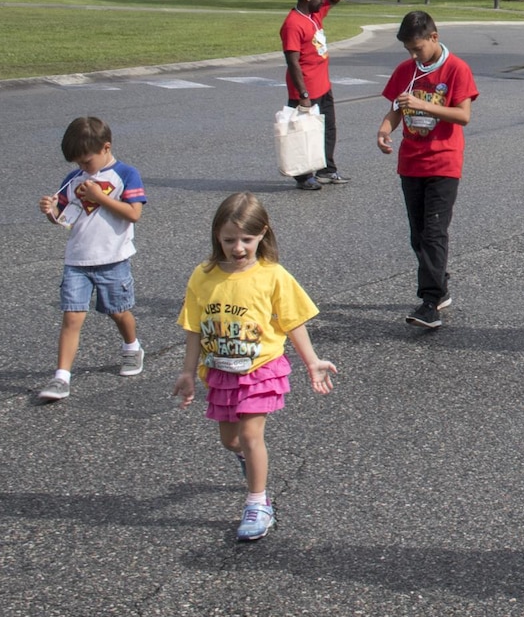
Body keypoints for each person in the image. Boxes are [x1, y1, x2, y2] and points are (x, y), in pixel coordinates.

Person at [173, 193, 337, 542]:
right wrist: (188, 372)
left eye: (246, 239)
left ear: (263, 233)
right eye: (229, 239)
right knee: (231, 440)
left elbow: (293, 321)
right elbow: (192, 327)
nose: (238, 248)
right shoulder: (204, 276)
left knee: (250, 436)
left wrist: (312, 361)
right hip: (220, 370)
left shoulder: (272, 275)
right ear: (217, 236)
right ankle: (251, 463)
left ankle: (257, 503)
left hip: (261, 369)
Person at [376, 11, 478, 330]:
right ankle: (440, 283)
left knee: (434, 232)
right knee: (418, 234)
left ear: (434, 37)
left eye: (417, 48)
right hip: (411, 162)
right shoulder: (407, 71)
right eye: (408, 50)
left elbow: (463, 116)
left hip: (443, 162)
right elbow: (396, 108)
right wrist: (384, 129)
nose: (413, 55)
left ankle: (430, 301)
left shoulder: (456, 69)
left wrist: (423, 105)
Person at [36, 116, 147, 402]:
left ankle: (132, 347)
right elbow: (64, 219)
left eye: (86, 162)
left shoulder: (125, 174)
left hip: (112, 258)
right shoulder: (74, 181)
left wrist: (100, 197)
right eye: (78, 164)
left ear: (106, 147)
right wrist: (50, 212)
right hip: (77, 260)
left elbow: (134, 213)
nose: (82, 168)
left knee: (117, 311)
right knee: (72, 316)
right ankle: (62, 378)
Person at [282, 0, 347, 191]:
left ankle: (326, 170)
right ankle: (303, 176)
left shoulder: (313, 15)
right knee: (302, 133)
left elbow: (329, 2)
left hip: (323, 86)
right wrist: (303, 94)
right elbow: (292, 61)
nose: (323, 0)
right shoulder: (293, 24)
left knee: (328, 130)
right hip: (305, 89)